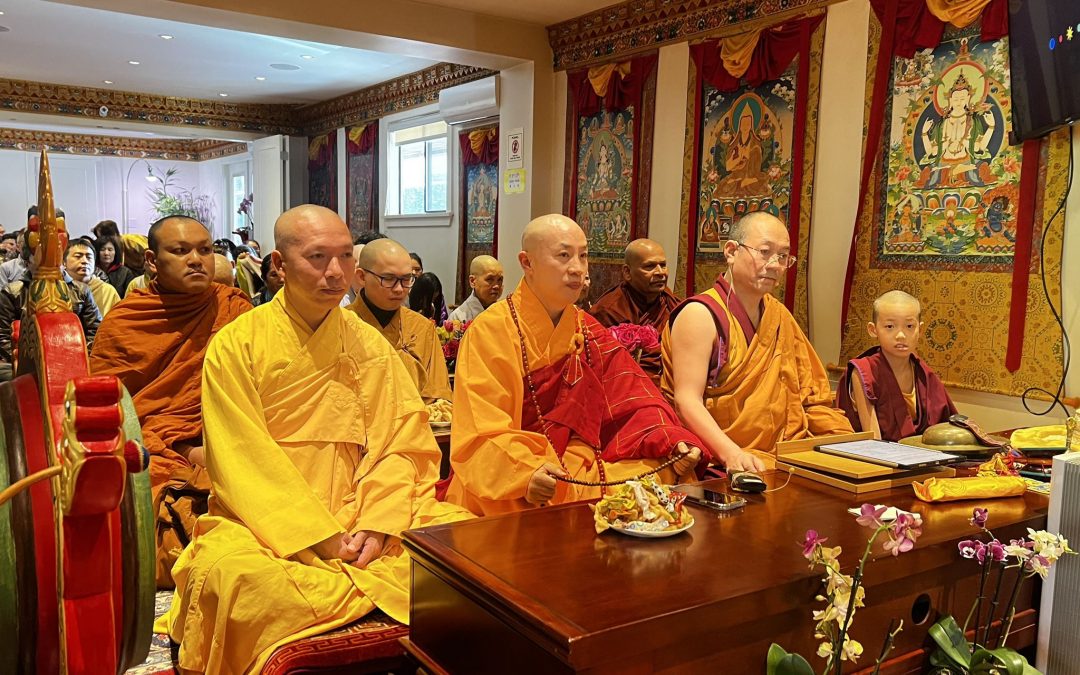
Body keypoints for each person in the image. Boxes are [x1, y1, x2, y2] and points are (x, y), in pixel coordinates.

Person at [160, 205, 472, 674]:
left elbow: (402, 442)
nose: (335, 272)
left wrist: (379, 520)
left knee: (465, 540)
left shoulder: (369, 345)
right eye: (317, 257)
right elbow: (241, 458)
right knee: (244, 582)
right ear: (280, 267)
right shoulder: (237, 343)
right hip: (266, 522)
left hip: (364, 506)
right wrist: (319, 537)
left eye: (346, 257)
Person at [446, 214, 705, 516]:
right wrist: (525, 473)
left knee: (662, 471)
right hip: (515, 466)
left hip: (578, 461)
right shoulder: (491, 330)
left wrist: (670, 439)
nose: (577, 268)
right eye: (564, 256)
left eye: (583, 256)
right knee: (543, 501)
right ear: (527, 263)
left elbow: (633, 394)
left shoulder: (585, 327)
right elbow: (481, 430)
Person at [89, 215, 252, 588]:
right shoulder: (127, 321)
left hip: (227, 433)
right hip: (152, 443)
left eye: (204, 250)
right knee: (150, 512)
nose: (196, 259)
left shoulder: (235, 309)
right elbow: (111, 411)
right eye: (180, 251)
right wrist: (179, 442)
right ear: (151, 261)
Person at [661, 212, 852, 471]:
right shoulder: (700, 315)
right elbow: (686, 401)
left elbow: (810, 394)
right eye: (764, 251)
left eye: (783, 256)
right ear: (730, 251)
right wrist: (732, 454)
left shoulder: (778, 316)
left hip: (783, 455)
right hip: (720, 458)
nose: (775, 264)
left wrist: (843, 441)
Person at [836, 291, 956, 441]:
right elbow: (873, 440)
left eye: (910, 326)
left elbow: (945, 429)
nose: (901, 335)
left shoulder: (924, 374)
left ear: (921, 329)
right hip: (880, 458)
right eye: (890, 326)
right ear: (873, 330)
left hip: (924, 455)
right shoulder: (863, 372)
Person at [348, 239, 452, 406]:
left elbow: (439, 394)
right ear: (362, 276)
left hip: (415, 425)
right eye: (388, 279)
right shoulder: (341, 324)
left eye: (406, 279)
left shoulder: (422, 328)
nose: (398, 289)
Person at [0, 237, 101, 381]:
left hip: (74, 358)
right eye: (41, 254)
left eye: (54, 254)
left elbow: (95, 330)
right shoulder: (12, 292)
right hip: (27, 363)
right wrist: (27, 361)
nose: (49, 260)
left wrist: (78, 355)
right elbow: (3, 336)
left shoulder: (81, 290)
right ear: (28, 261)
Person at [590, 239, 680, 383]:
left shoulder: (672, 304)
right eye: (649, 266)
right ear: (627, 272)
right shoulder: (609, 310)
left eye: (663, 265)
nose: (660, 272)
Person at [65, 237, 120, 316]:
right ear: (64, 261)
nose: (84, 261)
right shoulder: (59, 288)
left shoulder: (107, 291)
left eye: (89, 257)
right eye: (78, 256)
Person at [449, 255, 504, 323]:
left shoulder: (506, 313)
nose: (497, 286)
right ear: (472, 281)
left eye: (500, 280)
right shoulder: (457, 318)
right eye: (490, 279)